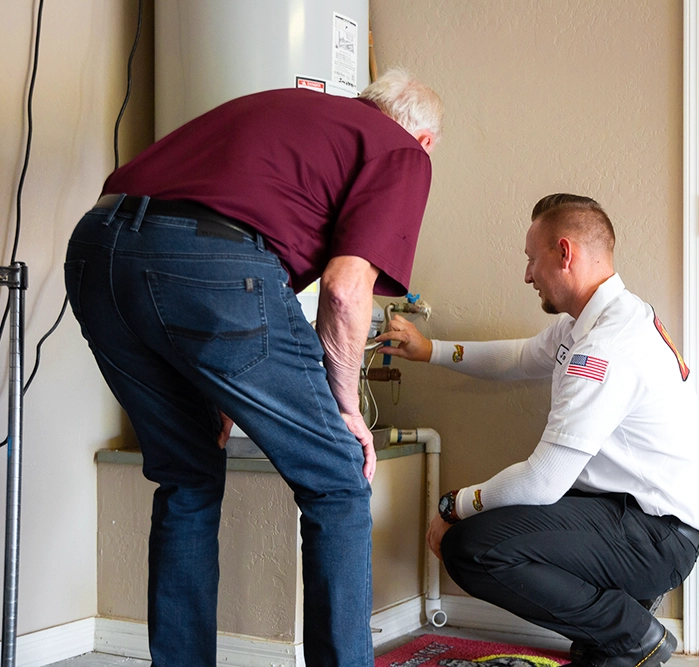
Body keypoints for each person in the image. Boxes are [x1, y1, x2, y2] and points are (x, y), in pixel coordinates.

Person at [64, 69, 443, 667]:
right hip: (210, 265)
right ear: (423, 141)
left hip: (95, 254)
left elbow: (171, 236)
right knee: (339, 479)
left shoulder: (294, 110)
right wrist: (346, 410)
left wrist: (213, 387)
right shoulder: (401, 150)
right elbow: (345, 292)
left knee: (187, 478)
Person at [377, 194, 699, 667]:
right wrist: (429, 348)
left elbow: (541, 481)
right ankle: (621, 617)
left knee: (471, 547)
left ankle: (632, 633)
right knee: (502, 521)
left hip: (658, 535)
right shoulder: (597, 320)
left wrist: (454, 504)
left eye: (531, 259)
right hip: (634, 514)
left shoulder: (604, 347)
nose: (527, 274)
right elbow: (517, 358)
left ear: (564, 253)